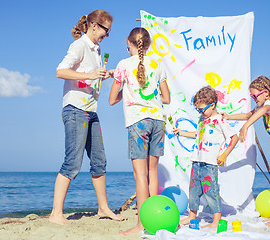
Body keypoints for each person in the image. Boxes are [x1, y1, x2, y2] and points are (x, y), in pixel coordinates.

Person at [49, 9, 125, 225]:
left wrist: (106, 74)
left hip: (91, 111)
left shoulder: (97, 49)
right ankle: (55, 214)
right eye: (105, 30)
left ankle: (103, 209)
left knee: (100, 162)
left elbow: (91, 79)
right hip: (75, 109)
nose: (107, 35)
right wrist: (90, 75)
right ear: (94, 26)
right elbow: (60, 71)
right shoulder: (79, 45)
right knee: (72, 163)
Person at [108, 27, 170, 235]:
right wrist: (148, 97)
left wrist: (127, 93)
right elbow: (166, 98)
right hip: (158, 120)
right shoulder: (158, 64)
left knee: (140, 175)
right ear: (149, 44)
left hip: (138, 122)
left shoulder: (123, 65)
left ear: (129, 43)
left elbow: (111, 100)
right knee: (153, 172)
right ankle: (156, 218)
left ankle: (142, 224)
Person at [222, 75, 270, 225]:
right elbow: (248, 114)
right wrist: (228, 117)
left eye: (255, 95)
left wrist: (246, 127)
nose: (253, 98)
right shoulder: (263, 105)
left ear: (266, 92)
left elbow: (261, 112)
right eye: (251, 96)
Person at [173, 86, 239, 229]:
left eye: (202, 109)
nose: (200, 112)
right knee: (194, 191)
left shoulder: (219, 120)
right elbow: (198, 134)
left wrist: (225, 154)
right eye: (198, 110)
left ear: (213, 105)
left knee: (211, 191)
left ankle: (216, 220)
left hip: (210, 163)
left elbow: (234, 137)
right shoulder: (202, 119)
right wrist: (182, 133)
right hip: (197, 161)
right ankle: (192, 216)